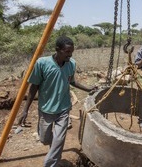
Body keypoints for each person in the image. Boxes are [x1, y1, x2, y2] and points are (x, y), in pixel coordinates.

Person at [17, 36, 97, 167]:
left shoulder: (71, 64)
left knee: (59, 139)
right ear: (57, 50)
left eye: (71, 52)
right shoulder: (42, 64)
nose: (70, 55)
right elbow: (33, 87)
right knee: (44, 139)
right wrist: (25, 110)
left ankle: (50, 163)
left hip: (63, 109)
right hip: (46, 109)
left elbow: (71, 81)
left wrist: (88, 88)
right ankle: (55, 152)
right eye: (67, 52)